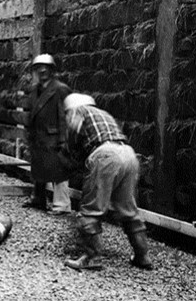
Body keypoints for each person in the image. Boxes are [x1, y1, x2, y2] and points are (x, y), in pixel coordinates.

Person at [61, 93, 153, 272]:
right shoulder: (104, 114)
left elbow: (73, 139)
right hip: (128, 153)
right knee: (128, 211)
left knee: (92, 209)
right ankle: (142, 256)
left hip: (105, 155)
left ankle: (92, 257)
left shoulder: (77, 112)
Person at [16, 54, 72, 214]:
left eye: (45, 68)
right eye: (38, 68)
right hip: (39, 136)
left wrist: (64, 141)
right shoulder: (34, 90)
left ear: (52, 70)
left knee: (59, 171)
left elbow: (64, 117)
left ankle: (62, 205)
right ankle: (38, 199)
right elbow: (32, 113)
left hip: (54, 137)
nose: (42, 71)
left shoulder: (60, 89)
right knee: (39, 168)